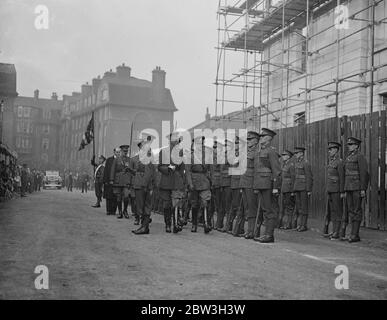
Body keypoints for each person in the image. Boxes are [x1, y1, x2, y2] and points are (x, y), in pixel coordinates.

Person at [252, 128, 281, 243]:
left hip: (268, 185)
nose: (261, 139)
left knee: (270, 210)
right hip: (261, 184)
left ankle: (269, 235)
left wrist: (275, 187)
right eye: (261, 137)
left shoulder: (271, 151)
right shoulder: (260, 152)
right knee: (265, 209)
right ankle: (267, 234)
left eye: (263, 137)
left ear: (269, 138)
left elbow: (277, 171)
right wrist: (255, 186)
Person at [342, 137, 369, 243]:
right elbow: (346, 174)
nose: (349, 146)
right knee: (351, 210)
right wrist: (345, 188)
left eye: (351, 145)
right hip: (349, 187)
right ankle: (353, 233)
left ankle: (355, 234)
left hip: (357, 187)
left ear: (357, 146)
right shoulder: (348, 157)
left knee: (356, 210)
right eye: (349, 145)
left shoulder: (360, 157)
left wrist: (363, 188)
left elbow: (364, 174)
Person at [158, 131, 185, 233]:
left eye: (177, 139)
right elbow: (159, 167)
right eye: (173, 139)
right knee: (167, 204)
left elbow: (183, 168)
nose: (175, 141)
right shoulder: (163, 151)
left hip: (176, 181)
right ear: (170, 140)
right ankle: (168, 224)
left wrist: (182, 179)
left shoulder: (180, 152)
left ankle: (176, 224)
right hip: (166, 180)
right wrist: (168, 167)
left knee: (176, 203)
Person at [186, 136, 212, 233]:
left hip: (205, 181)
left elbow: (211, 169)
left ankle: (206, 223)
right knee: (194, 204)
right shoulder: (190, 156)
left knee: (205, 202)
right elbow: (188, 171)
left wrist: (211, 181)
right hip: (194, 181)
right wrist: (190, 183)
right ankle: (194, 224)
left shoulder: (207, 155)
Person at [237, 130, 260, 239]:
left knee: (252, 208)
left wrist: (256, 186)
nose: (248, 141)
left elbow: (256, 170)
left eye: (250, 139)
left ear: (256, 141)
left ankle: (252, 231)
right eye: (247, 139)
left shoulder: (257, 153)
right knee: (247, 207)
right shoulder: (246, 152)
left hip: (251, 183)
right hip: (245, 182)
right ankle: (249, 230)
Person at [132, 135, 155, 235]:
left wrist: (146, 185)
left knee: (145, 207)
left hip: (144, 186)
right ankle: (144, 226)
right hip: (139, 185)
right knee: (140, 207)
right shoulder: (140, 157)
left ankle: (144, 227)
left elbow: (150, 172)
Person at [323, 142, 345, 239]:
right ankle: (334, 231)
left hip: (337, 190)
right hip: (331, 190)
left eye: (331, 149)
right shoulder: (331, 162)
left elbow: (341, 177)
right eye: (329, 149)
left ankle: (337, 232)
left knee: (338, 211)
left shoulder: (339, 162)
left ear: (336, 150)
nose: (329, 151)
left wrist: (342, 192)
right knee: (332, 211)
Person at [292, 146, 313, 232]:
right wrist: (294, 188)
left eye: (297, 153)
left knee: (304, 208)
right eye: (295, 153)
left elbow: (309, 177)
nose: (296, 155)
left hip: (304, 188)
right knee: (299, 207)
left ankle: (303, 225)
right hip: (297, 187)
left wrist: (309, 190)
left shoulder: (306, 163)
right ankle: (300, 225)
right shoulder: (296, 163)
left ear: (301, 153)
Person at [110, 145, 134, 219]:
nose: (125, 152)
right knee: (119, 197)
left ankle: (125, 210)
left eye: (126, 151)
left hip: (126, 180)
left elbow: (132, 171)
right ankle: (120, 212)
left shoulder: (130, 160)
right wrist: (111, 179)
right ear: (121, 151)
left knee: (126, 196)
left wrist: (131, 180)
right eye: (124, 151)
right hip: (118, 180)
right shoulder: (117, 159)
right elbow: (113, 170)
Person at [278, 150, 295, 230]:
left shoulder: (291, 165)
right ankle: (283, 223)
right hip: (284, 188)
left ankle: (288, 224)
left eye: (285, 155)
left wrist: (292, 191)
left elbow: (293, 178)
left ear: (288, 156)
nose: (283, 157)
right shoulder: (284, 164)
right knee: (284, 206)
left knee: (289, 207)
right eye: (283, 155)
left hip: (288, 189)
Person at [104, 148, 120, 215]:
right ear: (114, 152)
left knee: (115, 197)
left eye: (119, 152)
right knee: (109, 196)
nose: (118, 153)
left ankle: (113, 211)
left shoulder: (121, 161)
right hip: (109, 182)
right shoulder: (109, 160)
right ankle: (108, 210)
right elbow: (106, 170)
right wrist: (105, 180)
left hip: (117, 182)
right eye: (117, 152)